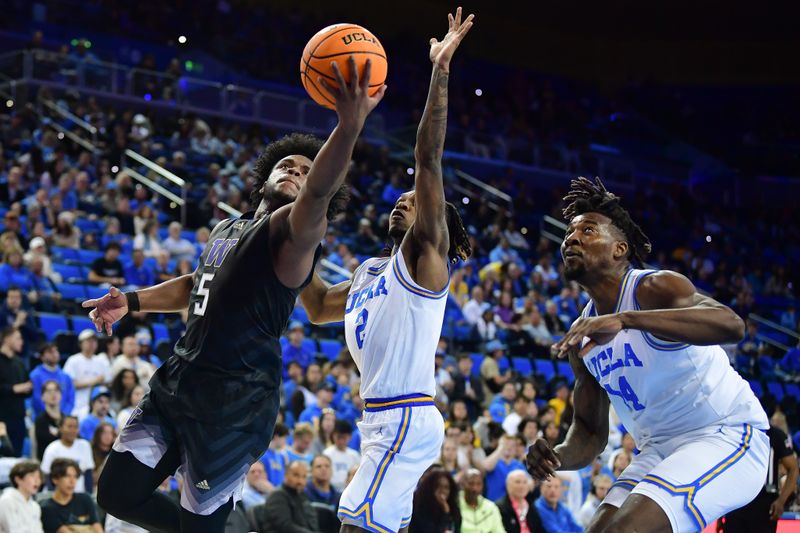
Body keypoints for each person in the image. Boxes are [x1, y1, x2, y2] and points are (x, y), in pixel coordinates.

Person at [83, 56, 385, 533]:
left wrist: (347, 127)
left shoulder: (292, 233)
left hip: (233, 406)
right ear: (263, 174)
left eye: (306, 170)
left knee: (199, 523)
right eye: (286, 164)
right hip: (180, 381)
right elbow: (196, 285)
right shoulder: (227, 226)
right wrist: (133, 301)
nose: (293, 170)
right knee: (115, 494)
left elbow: (316, 199)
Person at [299, 12, 473, 533]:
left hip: (404, 415)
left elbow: (428, 159)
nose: (403, 204)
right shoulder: (371, 270)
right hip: (380, 419)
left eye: (412, 201)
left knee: (354, 524)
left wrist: (439, 71)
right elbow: (313, 307)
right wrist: (293, 227)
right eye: (398, 200)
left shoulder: (425, 261)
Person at [525, 177, 770, 533]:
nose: (572, 239)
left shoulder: (653, 288)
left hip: (726, 434)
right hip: (657, 450)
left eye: (588, 230)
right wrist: (557, 456)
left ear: (619, 249)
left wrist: (626, 320)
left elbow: (731, 324)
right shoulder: (583, 336)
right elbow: (590, 433)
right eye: (568, 235)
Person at [721, 424, 798, 533]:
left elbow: (793, 468)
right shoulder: (735, 432)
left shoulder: (775, 434)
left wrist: (781, 500)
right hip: (737, 500)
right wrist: (721, 513)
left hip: (764, 501)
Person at [251, 461, 319, 533]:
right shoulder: (277, 496)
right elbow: (285, 527)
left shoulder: (302, 496)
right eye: (296, 475)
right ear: (286, 475)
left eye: (304, 477)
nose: (300, 481)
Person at [40, 458, 103, 533]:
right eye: (67, 476)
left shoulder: (85, 499)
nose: (72, 481)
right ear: (55, 479)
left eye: (75, 477)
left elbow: (97, 528)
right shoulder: (47, 508)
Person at [41, 416, 94, 493]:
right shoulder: (52, 449)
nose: (73, 430)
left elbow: (88, 474)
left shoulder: (85, 446)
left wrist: (89, 495)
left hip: (79, 494)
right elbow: (48, 477)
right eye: (69, 427)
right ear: (60, 428)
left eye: (75, 427)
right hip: (58, 495)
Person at [64, 329, 111, 417]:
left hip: (98, 405)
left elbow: (107, 382)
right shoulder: (73, 360)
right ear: (80, 343)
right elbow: (69, 384)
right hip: (78, 405)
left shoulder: (101, 361)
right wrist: (95, 381)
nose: (92, 343)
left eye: (94, 341)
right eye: (88, 341)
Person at [0, 326, 31, 455]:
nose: (21, 342)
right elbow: (17, 388)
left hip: (18, 418)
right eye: (18, 338)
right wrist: (14, 389)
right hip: (1, 418)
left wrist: (28, 388)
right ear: (7, 339)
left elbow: (27, 386)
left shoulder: (19, 362)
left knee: (15, 456)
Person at [409, 465, 461, 533]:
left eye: (446, 487)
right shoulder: (418, 507)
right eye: (438, 486)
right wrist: (445, 513)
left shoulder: (454, 510)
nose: (442, 491)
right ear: (430, 488)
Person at [30, 343, 75, 417]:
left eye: (56, 351)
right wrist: (51, 415)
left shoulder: (65, 376)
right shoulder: (35, 376)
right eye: (50, 352)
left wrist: (62, 414)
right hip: (43, 419)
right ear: (42, 357)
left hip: (62, 418)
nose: (54, 354)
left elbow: (71, 399)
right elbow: (36, 399)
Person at [0, 460, 43, 533]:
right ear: (18, 479)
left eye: (39, 477)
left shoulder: (35, 506)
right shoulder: (7, 501)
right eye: (32, 476)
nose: (37, 480)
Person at [458, 469, 504, 533]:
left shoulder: (491, 507)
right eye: (471, 483)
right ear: (462, 484)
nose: (475, 488)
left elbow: (499, 531)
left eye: (478, 484)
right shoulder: (455, 505)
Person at [484, 435, 526, 501]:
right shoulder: (495, 462)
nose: (509, 447)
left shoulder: (519, 465)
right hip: (494, 503)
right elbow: (486, 467)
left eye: (512, 445)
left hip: (513, 505)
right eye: (506, 444)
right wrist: (500, 448)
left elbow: (528, 484)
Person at [323, 419, 360, 492]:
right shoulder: (327, 454)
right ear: (333, 436)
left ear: (350, 437)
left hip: (350, 490)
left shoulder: (355, 455)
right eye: (339, 437)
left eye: (344, 437)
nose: (341, 441)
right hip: (332, 491)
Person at [34, 380, 65, 461]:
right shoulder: (40, 421)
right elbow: (46, 442)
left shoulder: (66, 419)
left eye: (56, 390)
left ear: (61, 395)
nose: (53, 394)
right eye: (49, 391)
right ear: (42, 397)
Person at [261, 422, 290, 489]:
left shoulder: (281, 456)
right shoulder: (263, 455)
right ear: (276, 437)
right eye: (285, 438)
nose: (286, 441)